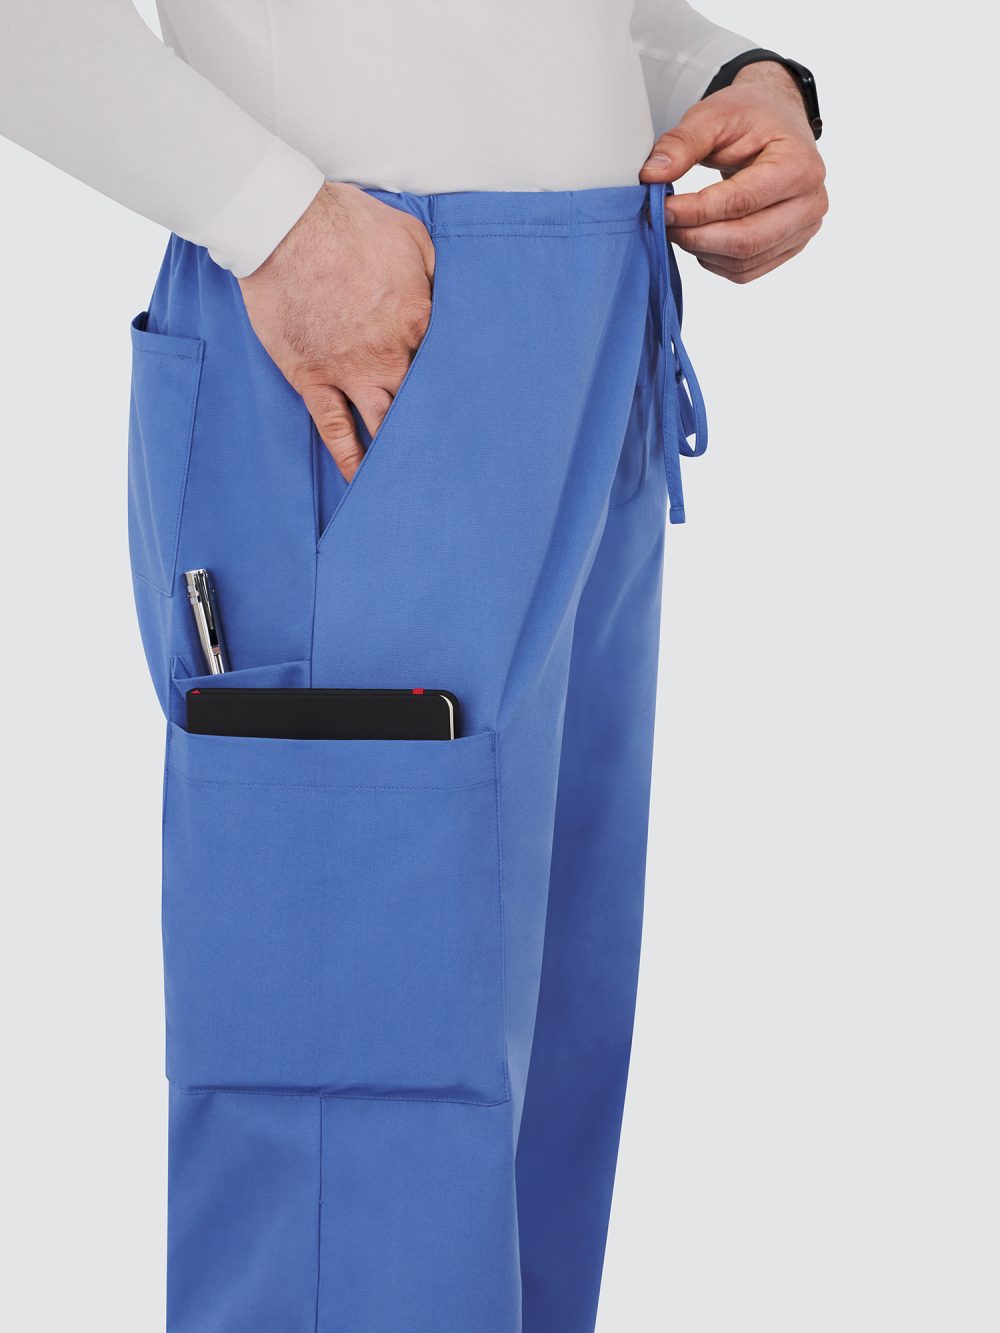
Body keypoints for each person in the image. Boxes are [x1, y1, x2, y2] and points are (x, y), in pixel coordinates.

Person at [0, 3, 828, 1330]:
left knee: (535, 1114)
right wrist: (267, 213)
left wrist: (740, 81)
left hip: (598, 325)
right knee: (358, 1120)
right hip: (359, 325)